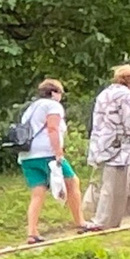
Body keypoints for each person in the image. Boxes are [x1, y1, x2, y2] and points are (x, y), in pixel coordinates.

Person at [17, 78, 86, 244]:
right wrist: (58, 153)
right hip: (46, 153)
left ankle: (32, 232)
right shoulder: (53, 106)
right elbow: (52, 128)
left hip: (27, 155)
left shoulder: (31, 108)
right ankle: (80, 222)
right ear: (54, 93)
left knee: (37, 193)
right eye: (60, 93)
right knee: (72, 182)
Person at [88, 65, 130, 231]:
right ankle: (104, 221)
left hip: (103, 143)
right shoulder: (126, 95)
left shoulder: (105, 94)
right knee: (113, 187)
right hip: (119, 147)